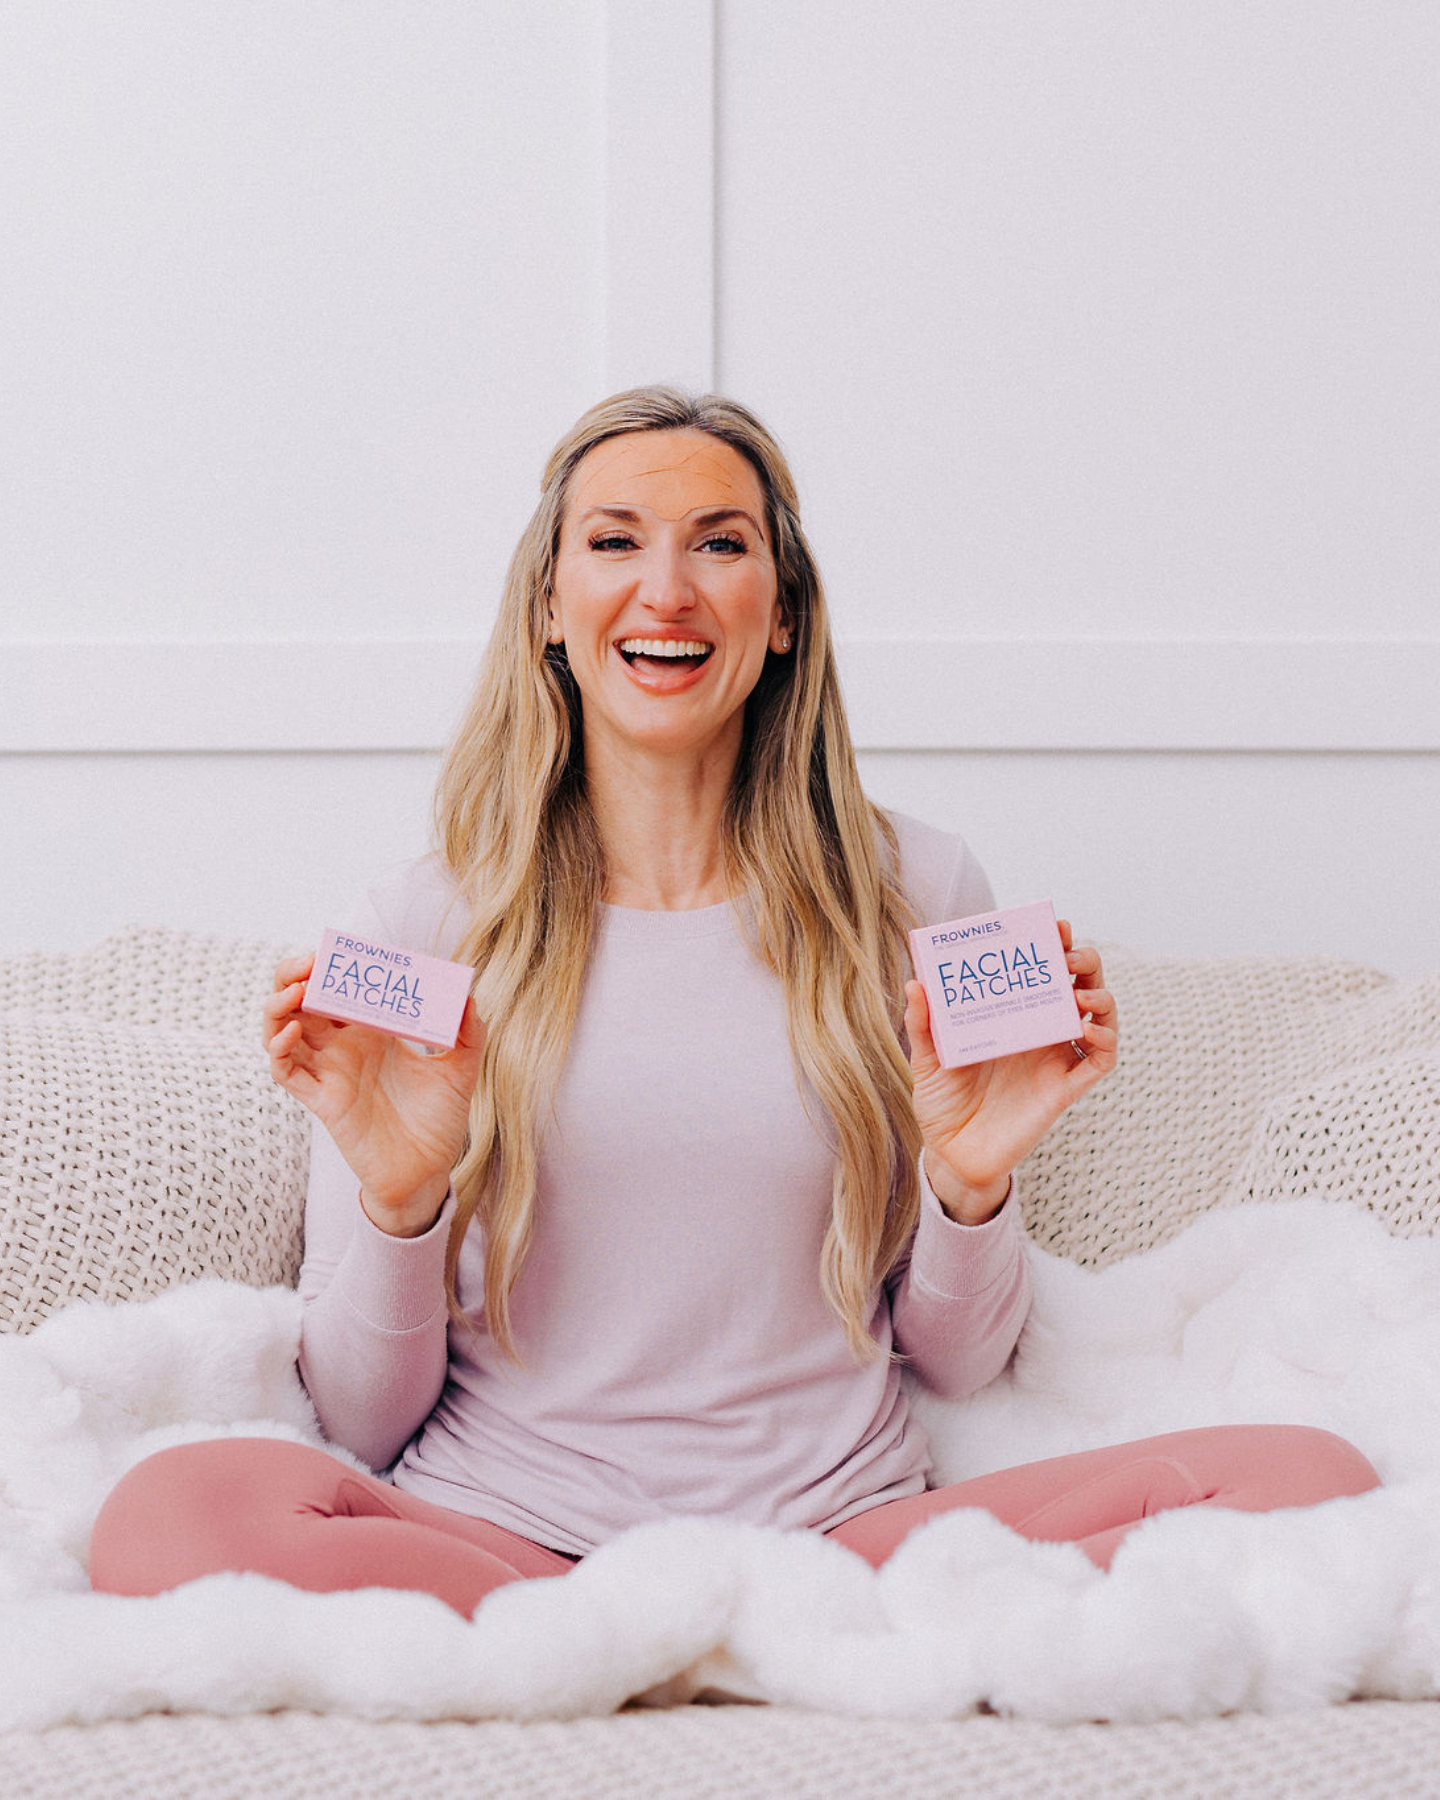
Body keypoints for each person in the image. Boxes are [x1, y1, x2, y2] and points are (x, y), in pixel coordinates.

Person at [89, 387, 1379, 1621]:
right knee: (171, 1514)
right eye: (615, 542)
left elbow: (962, 1364)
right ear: (551, 604)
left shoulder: (921, 889)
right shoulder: (423, 928)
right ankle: (631, 1638)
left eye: (721, 543)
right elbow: (365, 1420)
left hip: (837, 1544)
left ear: (780, 615)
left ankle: (681, 1645)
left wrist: (968, 1178)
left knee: (1309, 1480)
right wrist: (401, 1193)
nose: (667, 589)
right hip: (508, 1538)